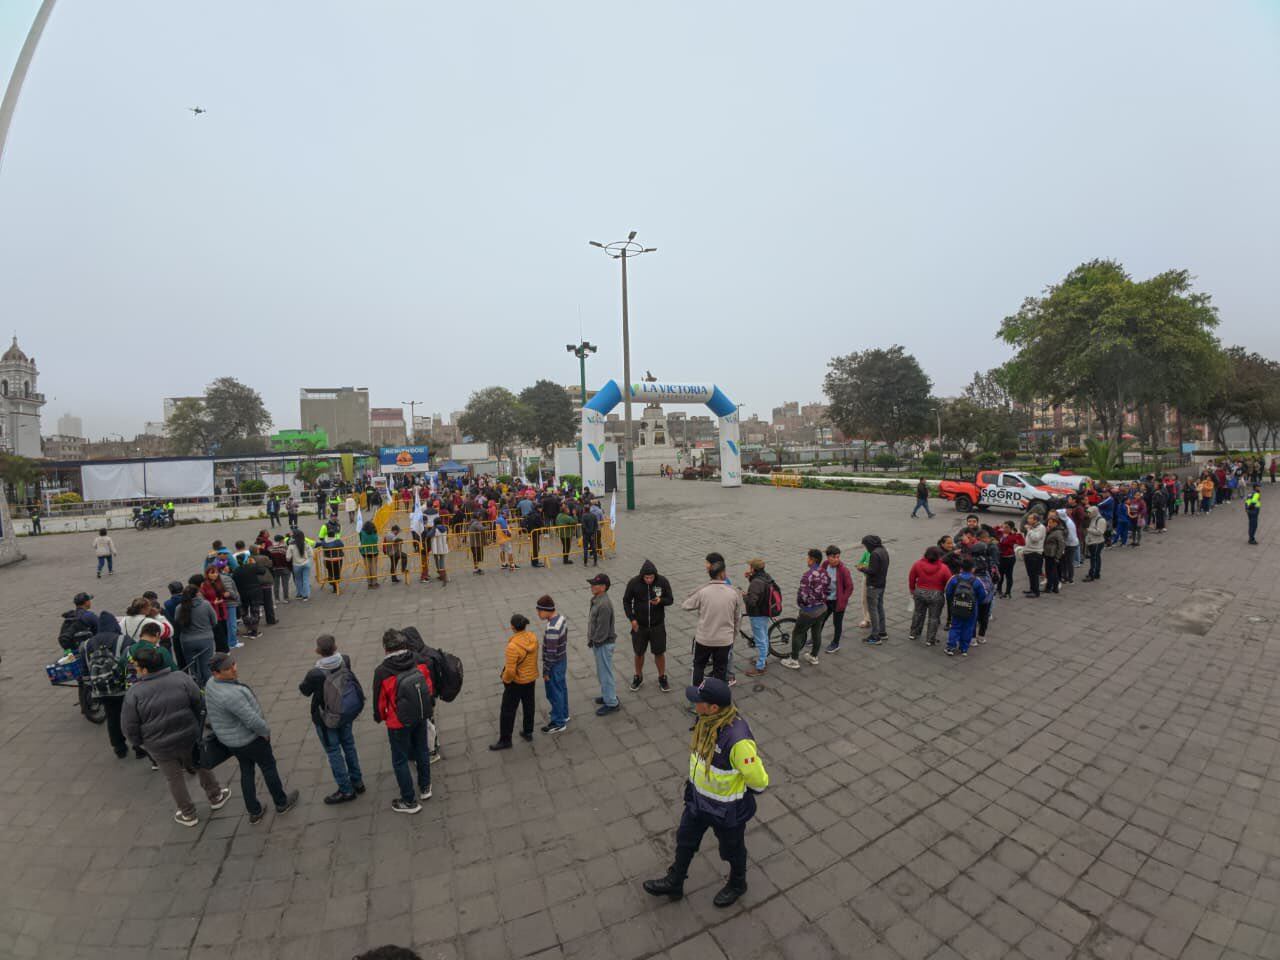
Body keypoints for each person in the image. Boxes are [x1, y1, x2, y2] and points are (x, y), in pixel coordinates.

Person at [642, 678, 769, 908]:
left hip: (726, 811)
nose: (695, 704)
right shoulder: (706, 722)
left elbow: (759, 781)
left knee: (732, 849)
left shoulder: (738, 739)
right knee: (685, 840)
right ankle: (676, 881)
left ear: (713, 708)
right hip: (698, 801)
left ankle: (738, 884)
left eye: (699, 701)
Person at [121, 645, 231, 827]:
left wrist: (140, 744)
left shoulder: (134, 693)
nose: (137, 671)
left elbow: (129, 726)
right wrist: (198, 726)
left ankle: (188, 814)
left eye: (138, 668)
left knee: (174, 779)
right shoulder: (181, 678)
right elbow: (199, 703)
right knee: (201, 764)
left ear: (145, 669)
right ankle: (216, 796)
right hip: (189, 736)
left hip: (159, 746)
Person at [205, 652, 300, 823]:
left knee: (246, 770)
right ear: (216, 673)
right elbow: (251, 720)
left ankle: (254, 811)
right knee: (268, 767)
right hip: (250, 740)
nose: (234, 669)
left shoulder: (211, 684)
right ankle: (281, 803)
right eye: (228, 668)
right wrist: (265, 732)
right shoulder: (231, 695)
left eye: (234, 664)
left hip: (231, 741)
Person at [372, 630, 434, 814]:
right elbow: (428, 685)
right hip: (420, 713)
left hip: (398, 721)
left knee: (400, 760)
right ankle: (425, 787)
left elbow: (380, 701)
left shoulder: (382, 671)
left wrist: (380, 717)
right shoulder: (417, 659)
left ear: (385, 648)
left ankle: (409, 800)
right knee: (422, 749)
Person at [299, 634, 366, 804]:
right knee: (349, 745)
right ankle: (357, 781)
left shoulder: (315, 673)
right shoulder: (345, 660)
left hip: (326, 718)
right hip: (345, 712)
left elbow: (305, 690)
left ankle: (345, 790)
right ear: (336, 647)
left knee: (334, 752)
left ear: (317, 651)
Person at [681, 553, 742, 684]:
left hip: (704, 639)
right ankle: (717, 698)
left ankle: (697, 695)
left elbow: (685, 605)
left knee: (698, 666)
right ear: (723, 573)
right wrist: (732, 635)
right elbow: (737, 618)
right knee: (720, 670)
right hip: (724, 640)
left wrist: (702, 587)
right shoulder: (733, 592)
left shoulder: (703, 591)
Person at [83, 614, 131, 757]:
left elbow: (85, 669)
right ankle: (139, 748)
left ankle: (119, 748)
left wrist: (91, 685)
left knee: (112, 717)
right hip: (122, 687)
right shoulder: (124, 640)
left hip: (101, 689)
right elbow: (132, 662)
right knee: (131, 716)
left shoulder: (87, 644)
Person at [622, 559, 674, 692]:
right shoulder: (634, 583)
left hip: (657, 625)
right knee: (638, 653)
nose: (649, 580)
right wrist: (632, 619)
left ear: (655, 575)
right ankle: (638, 676)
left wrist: (661, 601)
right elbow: (626, 601)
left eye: (651, 577)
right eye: (646, 577)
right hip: (640, 626)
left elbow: (670, 599)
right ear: (642, 576)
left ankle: (662, 677)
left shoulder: (662, 581)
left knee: (659, 652)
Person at [491, 614, 539, 750]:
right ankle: (528, 732)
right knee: (529, 706)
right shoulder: (533, 638)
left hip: (517, 682)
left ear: (512, 627)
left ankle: (505, 740)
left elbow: (510, 671)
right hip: (531, 678)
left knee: (507, 710)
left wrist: (505, 680)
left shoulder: (513, 646)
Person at [781, 549, 830, 669]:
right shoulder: (824, 572)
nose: (807, 560)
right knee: (816, 632)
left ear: (812, 560)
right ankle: (813, 656)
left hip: (809, 611)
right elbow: (829, 589)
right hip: (822, 609)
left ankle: (794, 660)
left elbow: (803, 595)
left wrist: (802, 605)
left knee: (797, 633)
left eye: (808, 558)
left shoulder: (807, 576)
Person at [587, 573, 620, 715]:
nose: (592, 586)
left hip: (603, 644)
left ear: (603, 587)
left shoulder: (604, 604)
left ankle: (612, 702)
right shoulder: (597, 599)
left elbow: (603, 629)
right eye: (592, 584)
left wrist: (595, 641)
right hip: (600, 643)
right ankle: (607, 695)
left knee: (605, 674)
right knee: (603, 673)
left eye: (595, 584)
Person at [537, 595, 569, 733]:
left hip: (554, 664)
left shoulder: (552, 628)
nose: (538, 614)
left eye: (539, 611)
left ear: (547, 610)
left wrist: (545, 671)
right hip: (562, 659)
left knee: (553, 692)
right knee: (561, 688)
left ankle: (558, 722)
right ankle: (564, 714)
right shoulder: (561, 618)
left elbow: (550, 653)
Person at [944, 558, 988, 658]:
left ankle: (950, 647)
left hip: (957, 606)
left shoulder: (954, 578)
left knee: (955, 626)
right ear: (973, 569)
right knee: (968, 628)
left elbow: (948, 592)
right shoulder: (976, 581)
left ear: (961, 568)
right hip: (972, 608)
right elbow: (982, 596)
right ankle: (964, 649)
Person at [907, 546, 950, 646]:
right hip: (936, 594)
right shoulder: (944, 568)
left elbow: (911, 578)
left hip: (920, 592)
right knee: (934, 617)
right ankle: (930, 639)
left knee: (918, 613)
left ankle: (914, 633)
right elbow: (949, 582)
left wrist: (912, 589)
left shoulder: (917, 564)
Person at [856, 535, 890, 644]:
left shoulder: (875, 554)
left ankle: (875, 636)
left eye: (866, 546)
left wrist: (862, 568)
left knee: (873, 610)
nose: (866, 548)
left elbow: (872, 571)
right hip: (881, 584)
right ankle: (882, 632)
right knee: (880, 607)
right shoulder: (883, 550)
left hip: (873, 585)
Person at [821, 546, 854, 653]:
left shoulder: (843, 570)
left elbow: (850, 587)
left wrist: (843, 600)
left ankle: (835, 643)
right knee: (820, 620)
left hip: (837, 602)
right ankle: (815, 638)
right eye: (833, 557)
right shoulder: (825, 565)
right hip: (826, 600)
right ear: (828, 557)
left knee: (837, 623)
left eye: (838, 557)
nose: (836, 559)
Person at [1021, 513, 1046, 598]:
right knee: (1030, 573)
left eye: (1030, 518)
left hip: (1035, 554)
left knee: (1034, 574)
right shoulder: (1033, 527)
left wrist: (1029, 530)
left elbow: (1035, 539)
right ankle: (1032, 589)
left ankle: (1036, 592)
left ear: (1035, 520)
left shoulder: (1041, 528)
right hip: (1028, 553)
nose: (1028, 520)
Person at [996, 522, 1022, 598]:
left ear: (1011, 528)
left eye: (1006, 527)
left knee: (1009, 575)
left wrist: (1018, 534)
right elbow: (993, 530)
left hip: (1009, 558)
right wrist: (998, 526)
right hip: (1001, 557)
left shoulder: (1013, 536)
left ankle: (1008, 592)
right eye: (1003, 526)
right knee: (1000, 575)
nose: (1004, 528)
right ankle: (999, 589)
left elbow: (1022, 543)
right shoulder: (1000, 533)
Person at [286, 532, 314, 601]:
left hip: (296, 565)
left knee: (298, 580)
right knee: (306, 580)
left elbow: (288, 558)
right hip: (306, 563)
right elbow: (311, 553)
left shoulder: (291, 546)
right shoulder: (305, 544)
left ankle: (300, 594)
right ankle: (306, 595)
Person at [1043, 515, 1066, 594]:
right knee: (1052, 571)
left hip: (1052, 554)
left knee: (1051, 572)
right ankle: (1053, 588)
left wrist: (1057, 557)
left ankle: (1050, 587)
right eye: (1048, 522)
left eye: (1050, 523)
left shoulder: (1058, 532)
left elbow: (1061, 545)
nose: (1049, 524)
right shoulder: (1052, 530)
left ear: (1056, 523)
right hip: (1048, 553)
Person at [1083, 505, 1107, 581]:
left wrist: (1089, 530)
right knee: (1096, 558)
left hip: (1097, 542)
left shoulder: (1100, 520)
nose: (1088, 514)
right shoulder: (1093, 518)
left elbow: (1100, 532)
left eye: (1090, 513)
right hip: (1093, 542)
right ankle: (1096, 573)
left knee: (1094, 559)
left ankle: (1092, 575)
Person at [359, 520, 381, 589]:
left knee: (367, 568)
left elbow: (360, 541)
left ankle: (369, 583)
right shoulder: (374, 532)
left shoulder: (362, 533)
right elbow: (377, 540)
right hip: (374, 551)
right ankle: (374, 582)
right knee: (374, 567)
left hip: (365, 552)